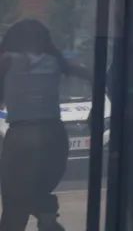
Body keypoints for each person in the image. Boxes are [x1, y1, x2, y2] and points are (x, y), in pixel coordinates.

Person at [0, 19, 91, 231]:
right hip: (54, 135)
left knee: (14, 200)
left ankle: (44, 212)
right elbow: (90, 75)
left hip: (22, 135)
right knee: (37, 187)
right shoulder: (56, 61)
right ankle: (46, 213)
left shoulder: (7, 60)